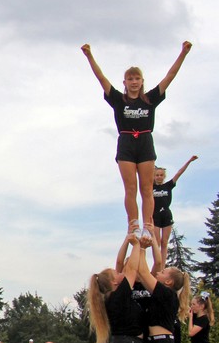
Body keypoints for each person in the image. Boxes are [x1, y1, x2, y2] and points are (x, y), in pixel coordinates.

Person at [81, 42, 193, 242]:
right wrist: (89, 56)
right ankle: (133, 225)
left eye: (137, 78)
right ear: (124, 82)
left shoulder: (150, 99)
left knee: (146, 188)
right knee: (130, 188)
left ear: (142, 81)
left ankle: (148, 225)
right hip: (125, 142)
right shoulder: (118, 99)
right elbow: (101, 78)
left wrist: (183, 53)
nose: (134, 82)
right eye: (130, 79)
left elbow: (170, 76)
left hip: (145, 141)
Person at [153, 155, 198, 267]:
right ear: (154, 176)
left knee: (164, 242)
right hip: (155, 215)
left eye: (161, 175)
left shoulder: (168, 186)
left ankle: (162, 265)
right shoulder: (150, 187)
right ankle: (157, 264)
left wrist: (189, 161)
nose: (159, 177)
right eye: (157, 175)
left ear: (164, 176)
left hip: (166, 215)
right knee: (156, 242)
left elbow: (179, 173)